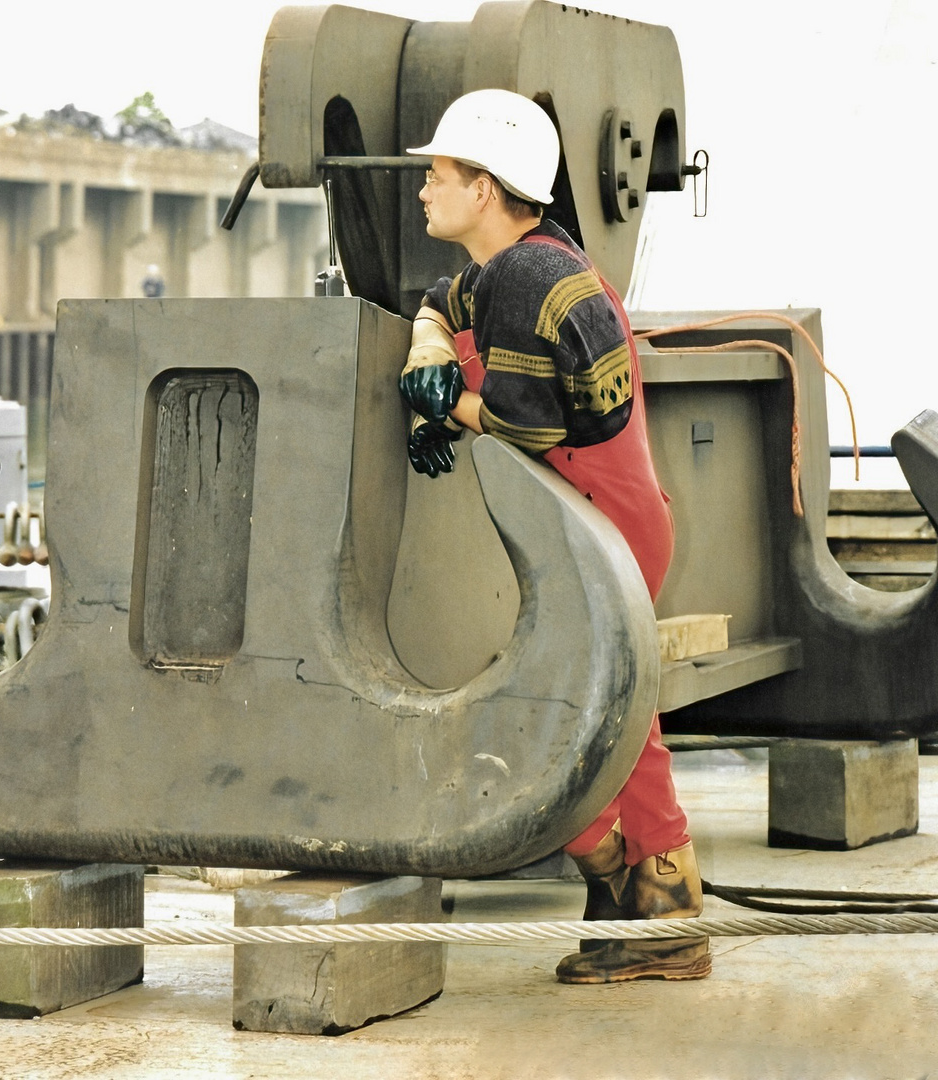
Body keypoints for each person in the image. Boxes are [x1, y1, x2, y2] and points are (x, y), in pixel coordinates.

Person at [400, 89, 710, 984]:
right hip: (602, 515)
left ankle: (661, 909)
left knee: (608, 719)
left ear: (485, 188)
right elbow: (440, 298)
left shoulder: (527, 280)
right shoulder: (523, 262)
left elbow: (523, 425)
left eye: (438, 175)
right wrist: (430, 343)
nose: (423, 189)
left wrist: (439, 404)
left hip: (598, 526)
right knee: (600, 713)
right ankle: (628, 897)